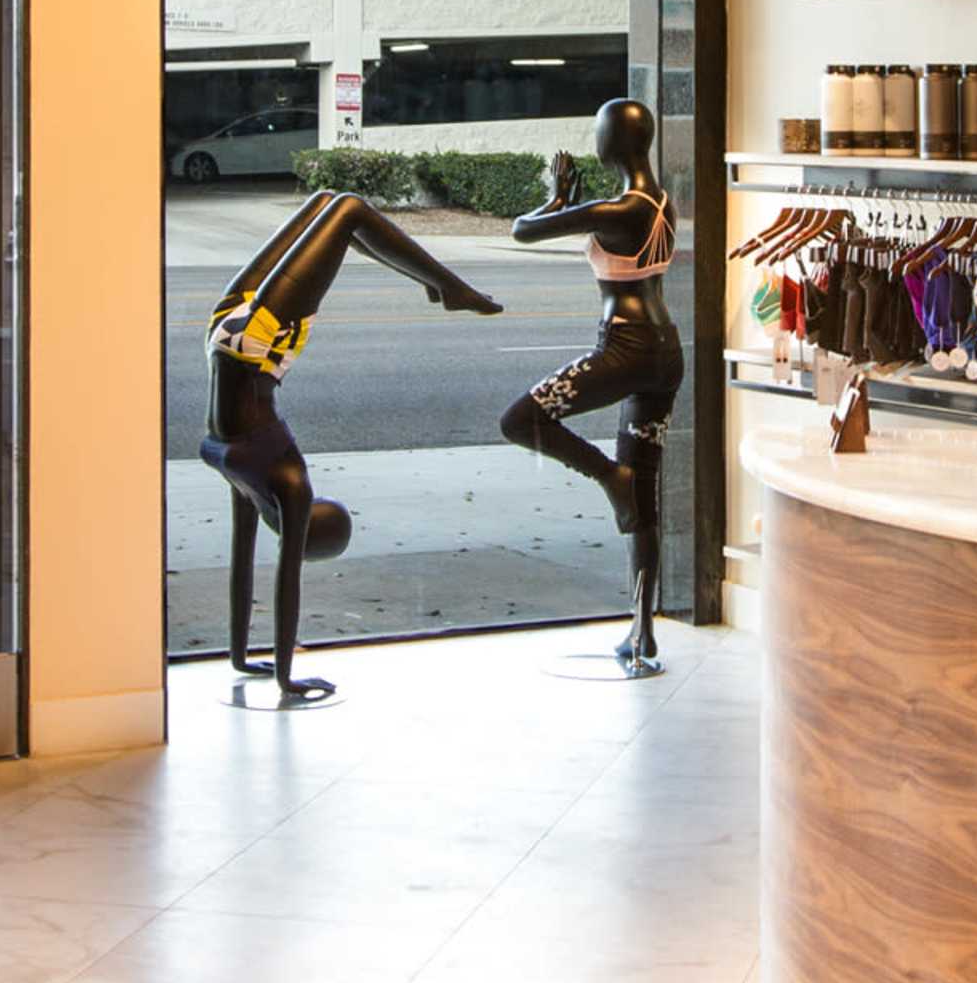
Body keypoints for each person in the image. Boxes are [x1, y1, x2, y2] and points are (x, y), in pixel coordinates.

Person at [200, 189, 501, 705]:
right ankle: (439, 286)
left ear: (311, 518)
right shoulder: (261, 481)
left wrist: (281, 675)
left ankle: (446, 286)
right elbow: (254, 567)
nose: (319, 497)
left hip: (252, 342)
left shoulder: (281, 482)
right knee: (334, 206)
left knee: (347, 210)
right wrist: (254, 663)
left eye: (324, 507)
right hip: (230, 342)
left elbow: (283, 575)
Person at [500, 98, 681, 676]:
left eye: (599, 133)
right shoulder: (659, 201)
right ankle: (642, 634)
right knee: (645, 496)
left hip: (625, 349)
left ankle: (610, 477)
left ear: (614, 142)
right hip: (663, 352)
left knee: (521, 419)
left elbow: (524, 230)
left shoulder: (620, 208)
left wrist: (556, 201)